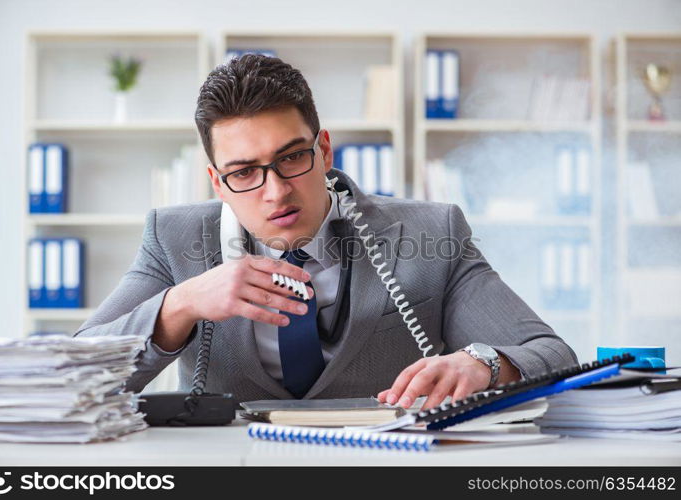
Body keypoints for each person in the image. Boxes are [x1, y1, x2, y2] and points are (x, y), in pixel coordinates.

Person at [75, 54, 578, 410]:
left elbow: (551, 353)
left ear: (325, 151)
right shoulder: (173, 238)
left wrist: (485, 364)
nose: (274, 192)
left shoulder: (431, 231)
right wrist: (179, 306)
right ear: (216, 182)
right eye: (244, 172)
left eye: (292, 157)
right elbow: (74, 379)